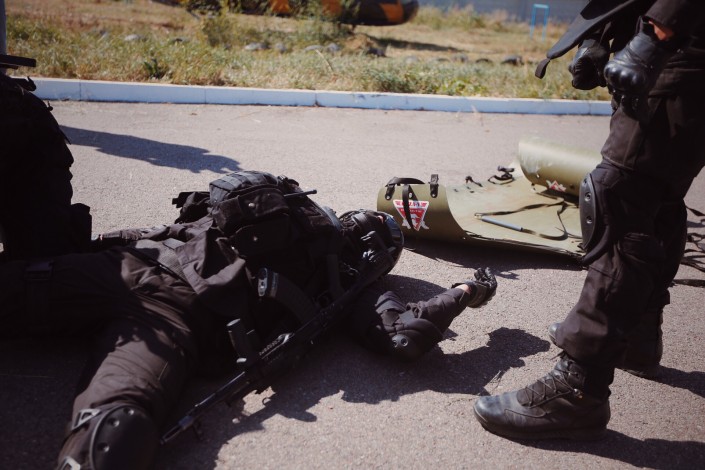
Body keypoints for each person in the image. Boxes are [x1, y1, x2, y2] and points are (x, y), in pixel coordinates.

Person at [0, 80, 498, 468]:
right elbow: (406, 336)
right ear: (383, 261)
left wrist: (97, 247)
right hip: (179, 319)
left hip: (132, 264)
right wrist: (466, 290)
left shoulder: (279, 211)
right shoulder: (351, 284)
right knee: (116, 428)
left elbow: (168, 227)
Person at [473, 0, 705, 440]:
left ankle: (579, 387)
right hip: (681, 44)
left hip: (681, 45)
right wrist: (604, 35)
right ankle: (636, 337)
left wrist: (658, 32)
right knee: (658, 194)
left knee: (620, 196)